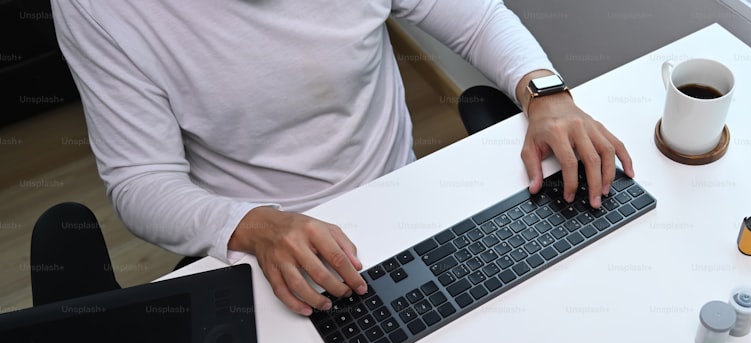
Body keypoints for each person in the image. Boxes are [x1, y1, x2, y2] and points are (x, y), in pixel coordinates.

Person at [51, 0, 633, 316]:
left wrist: (548, 95)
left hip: (405, 204)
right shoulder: (100, 10)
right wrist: (251, 226)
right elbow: (141, 180)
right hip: (269, 249)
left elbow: (477, 16)